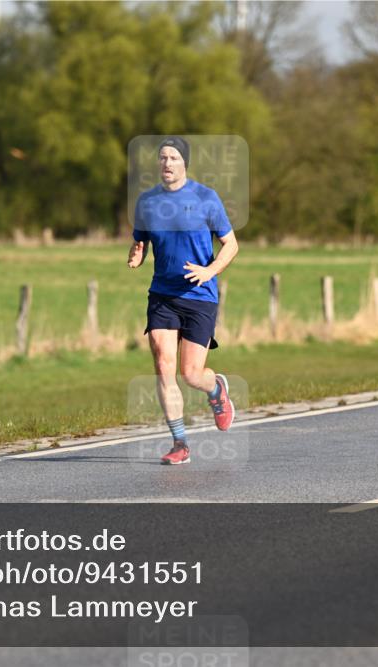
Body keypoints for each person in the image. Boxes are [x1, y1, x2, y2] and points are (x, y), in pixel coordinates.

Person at [127, 136, 240, 465]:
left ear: (184, 163)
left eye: (173, 158)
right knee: (164, 366)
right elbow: (140, 241)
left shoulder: (206, 198)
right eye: (162, 158)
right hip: (162, 294)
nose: (166, 163)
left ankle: (216, 389)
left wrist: (210, 270)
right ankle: (180, 443)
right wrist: (136, 255)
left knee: (191, 374)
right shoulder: (147, 202)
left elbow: (231, 244)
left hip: (199, 295)